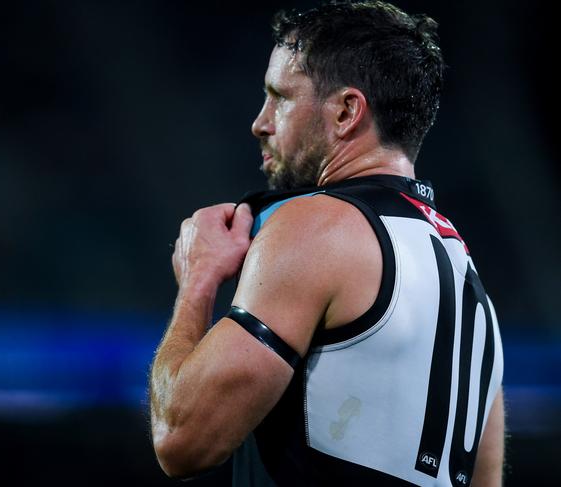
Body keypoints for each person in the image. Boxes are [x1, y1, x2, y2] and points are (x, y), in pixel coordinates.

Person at [149, 1, 504, 485]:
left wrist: (198, 278)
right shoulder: (473, 291)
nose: (261, 122)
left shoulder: (316, 227)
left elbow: (182, 439)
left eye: (280, 97)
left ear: (346, 111)